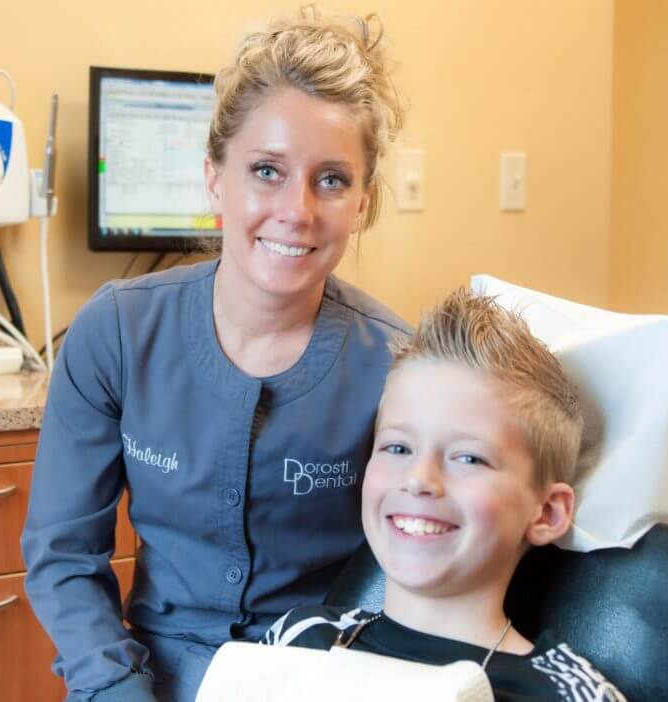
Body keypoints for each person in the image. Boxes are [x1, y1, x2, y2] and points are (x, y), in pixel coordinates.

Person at [20, 6, 409, 702]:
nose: (297, 210)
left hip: (324, 676)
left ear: (363, 203)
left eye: (331, 180)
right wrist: (116, 685)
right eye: (266, 170)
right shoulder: (116, 333)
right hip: (146, 673)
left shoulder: (396, 368)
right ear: (214, 179)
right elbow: (64, 558)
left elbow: (423, 568)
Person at [263, 289, 627, 701]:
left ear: (545, 512)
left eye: (469, 458)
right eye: (398, 448)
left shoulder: (568, 694)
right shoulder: (300, 640)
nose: (419, 478)